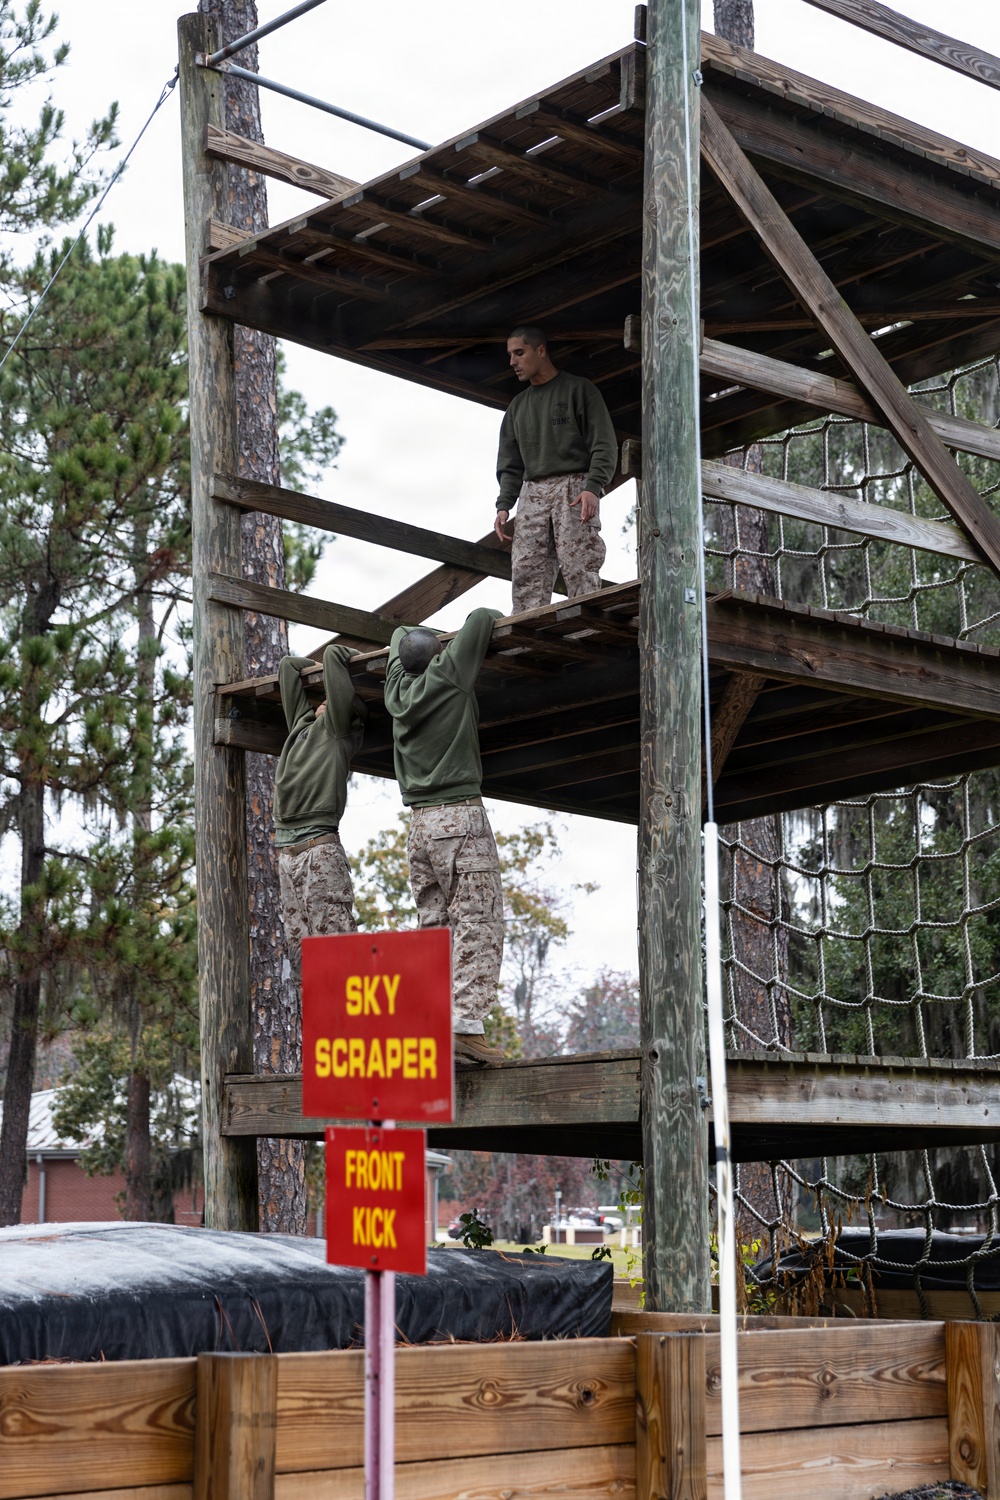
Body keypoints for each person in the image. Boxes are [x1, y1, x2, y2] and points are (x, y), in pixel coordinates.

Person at [384, 608, 506, 1063]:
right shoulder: (451, 674)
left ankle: (435, 1021)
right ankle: (466, 1026)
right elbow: (482, 616)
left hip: (418, 827)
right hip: (459, 818)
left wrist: (420, 644)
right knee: (479, 917)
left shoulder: (395, 689)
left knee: (434, 923)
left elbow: (400, 635)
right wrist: (442, 646)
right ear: (438, 654)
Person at [495, 325, 618, 613]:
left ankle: (587, 624)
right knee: (527, 570)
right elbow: (510, 463)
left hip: (574, 486)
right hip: (532, 491)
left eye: (519, 353)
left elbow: (604, 443)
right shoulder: (517, 407)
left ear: (541, 350)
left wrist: (593, 487)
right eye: (510, 355)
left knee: (579, 565)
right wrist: (504, 505)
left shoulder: (579, 389)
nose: (512, 362)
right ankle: (527, 636)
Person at [273, 644, 367, 965]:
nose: (325, 701)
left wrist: (354, 654)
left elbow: (334, 656)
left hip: (318, 853)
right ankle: (314, 1017)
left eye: (332, 700)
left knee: (337, 950)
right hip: (288, 856)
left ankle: (352, 1014)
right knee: (302, 957)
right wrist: (310, 670)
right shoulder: (300, 729)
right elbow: (288, 667)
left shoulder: (337, 732)